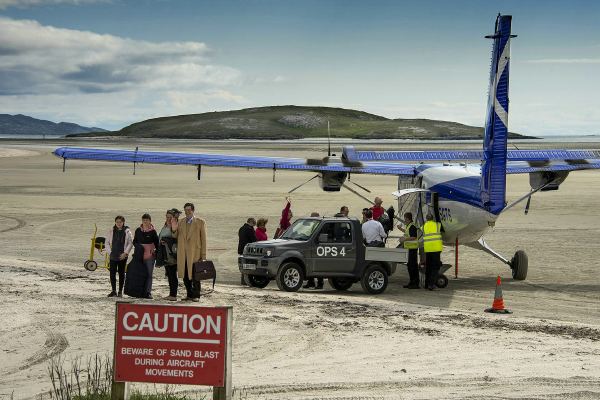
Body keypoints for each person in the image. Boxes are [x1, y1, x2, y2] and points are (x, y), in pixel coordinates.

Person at [172, 202, 207, 302]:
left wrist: (203, 255)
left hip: (195, 253)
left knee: (196, 276)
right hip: (183, 254)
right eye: (186, 210)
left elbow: (204, 239)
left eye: (189, 210)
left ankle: (196, 295)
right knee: (185, 275)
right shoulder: (181, 222)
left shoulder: (200, 222)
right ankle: (189, 294)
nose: (187, 212)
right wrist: (174, 229)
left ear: (193, 210)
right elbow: (175, 236)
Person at [104, 215, 133, 297]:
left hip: (122, 256)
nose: (118, 223)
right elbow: (107, 243)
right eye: (117, 222)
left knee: (121, 273)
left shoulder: (127, 231)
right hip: (113, 255)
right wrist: (110, 252)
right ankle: (113, 291)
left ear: (123, 222)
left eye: (120, 222)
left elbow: (130, 243)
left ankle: (120, 291)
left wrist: (125, 253)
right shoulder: (111, 231)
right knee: (112, 273)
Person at [133, 213, 159, 299]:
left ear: (150, 221)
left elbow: (157, 244)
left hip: (150, 256)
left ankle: (148, 292)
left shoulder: (153, 231)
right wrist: (138, 247)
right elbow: (135, 241)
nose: (145, 221)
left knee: (149, 274)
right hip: (139, 256)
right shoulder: (138, 230)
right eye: (143, 220)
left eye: (147, 220)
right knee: (139, 274)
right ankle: (139, 292)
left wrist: (155, 252)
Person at [159, 209, 179, 301]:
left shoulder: (174, 226)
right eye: (167, 217)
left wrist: (166, 241)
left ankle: (173, 295)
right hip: (165, 254)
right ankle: (172, 294)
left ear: (173, 218)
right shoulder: (166, 225)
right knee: (169, 274)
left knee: (172, 275)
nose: (168, 218)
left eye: (170, 217)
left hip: (172, 254)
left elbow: (176, 239)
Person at [398, 212, 420, 289]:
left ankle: (415, 283)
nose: (405, 220)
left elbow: (413, 237)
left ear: (408, 218)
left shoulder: (412, 226)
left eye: (405, 219)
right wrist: (400, 229)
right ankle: (411, 282)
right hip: (409, 249)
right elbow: (408, 233)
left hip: (412, 249)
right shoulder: (409, 226)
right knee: (410, 266)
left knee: (413, 266)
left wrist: (404, 239)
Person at [423, 213, 443, 291]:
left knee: (428, 268)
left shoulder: (424, 226)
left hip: (428, 250)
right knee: (435, 268)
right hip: (436, 249)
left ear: (426, 219)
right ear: (432, 218)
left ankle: (426, 284)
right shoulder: (437, 225)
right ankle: (431, 285)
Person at [238, 217, 257, 285]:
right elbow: (254, 240)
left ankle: (243, 280)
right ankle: (246, 280)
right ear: (251, 222)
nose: (254, 226)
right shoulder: (249, 229)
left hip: (241, 249)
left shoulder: (241, 228)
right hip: (247, 250)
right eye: (254, 224)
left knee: (243, 265)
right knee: (248, 265)